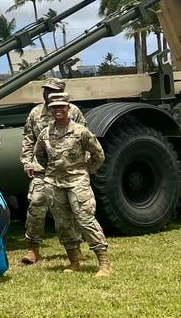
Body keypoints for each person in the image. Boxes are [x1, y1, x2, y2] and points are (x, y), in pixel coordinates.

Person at [31, 94, 112, 277]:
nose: (58, 110)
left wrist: (84, 170)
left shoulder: (80, 131)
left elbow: (98, 154)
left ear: (68, 109)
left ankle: (104, 263)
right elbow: (41, 156)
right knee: (62, 223)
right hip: (54, 183)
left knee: (85, 219)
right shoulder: (45, 134)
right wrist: (52, 172)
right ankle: (74, 261)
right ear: (50, 110)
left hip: (77, 181)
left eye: (61, 107)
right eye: (54, 107)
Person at [19, 78, 87, 265]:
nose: (47, 94)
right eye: (45, 90)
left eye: (52, 90)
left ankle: (75, 248)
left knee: (72, 208)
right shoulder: (35, 113)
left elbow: (85, 139)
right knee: (35, 204)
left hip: (68, 170)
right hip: (43, 169)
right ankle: (33, 249)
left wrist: (84, 166)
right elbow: (28, 139)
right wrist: (27, 162)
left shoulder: (73, 112)